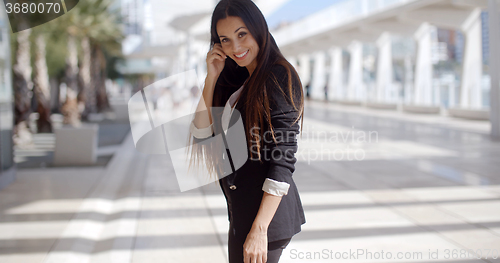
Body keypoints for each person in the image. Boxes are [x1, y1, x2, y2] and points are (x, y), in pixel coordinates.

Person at [188, 0, 306, 262]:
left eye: (242, 34)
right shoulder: (238, 78)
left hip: (265, 221)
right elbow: (201, 133)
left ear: (258, 28)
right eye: (225, 40)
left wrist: (260, 229)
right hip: (242, 212)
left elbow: (283, 160)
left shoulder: (278, 75)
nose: (236, 47)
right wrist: (211, 78)